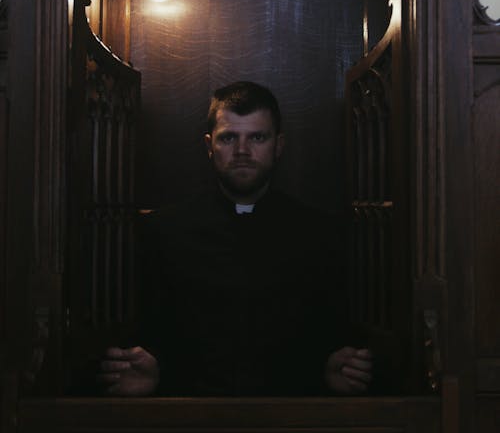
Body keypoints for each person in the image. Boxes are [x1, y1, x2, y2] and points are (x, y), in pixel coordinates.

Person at [98, 81, 373, 397]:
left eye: (257, 137)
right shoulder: (165, 231)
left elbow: (330, 333)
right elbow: (154, 330)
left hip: (294, 420)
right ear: (209, 145)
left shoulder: (320, 233)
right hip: (191, 418)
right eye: (229, 137)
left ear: (278, 145)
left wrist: (332, 369)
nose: (242, 151)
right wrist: (153, 370)